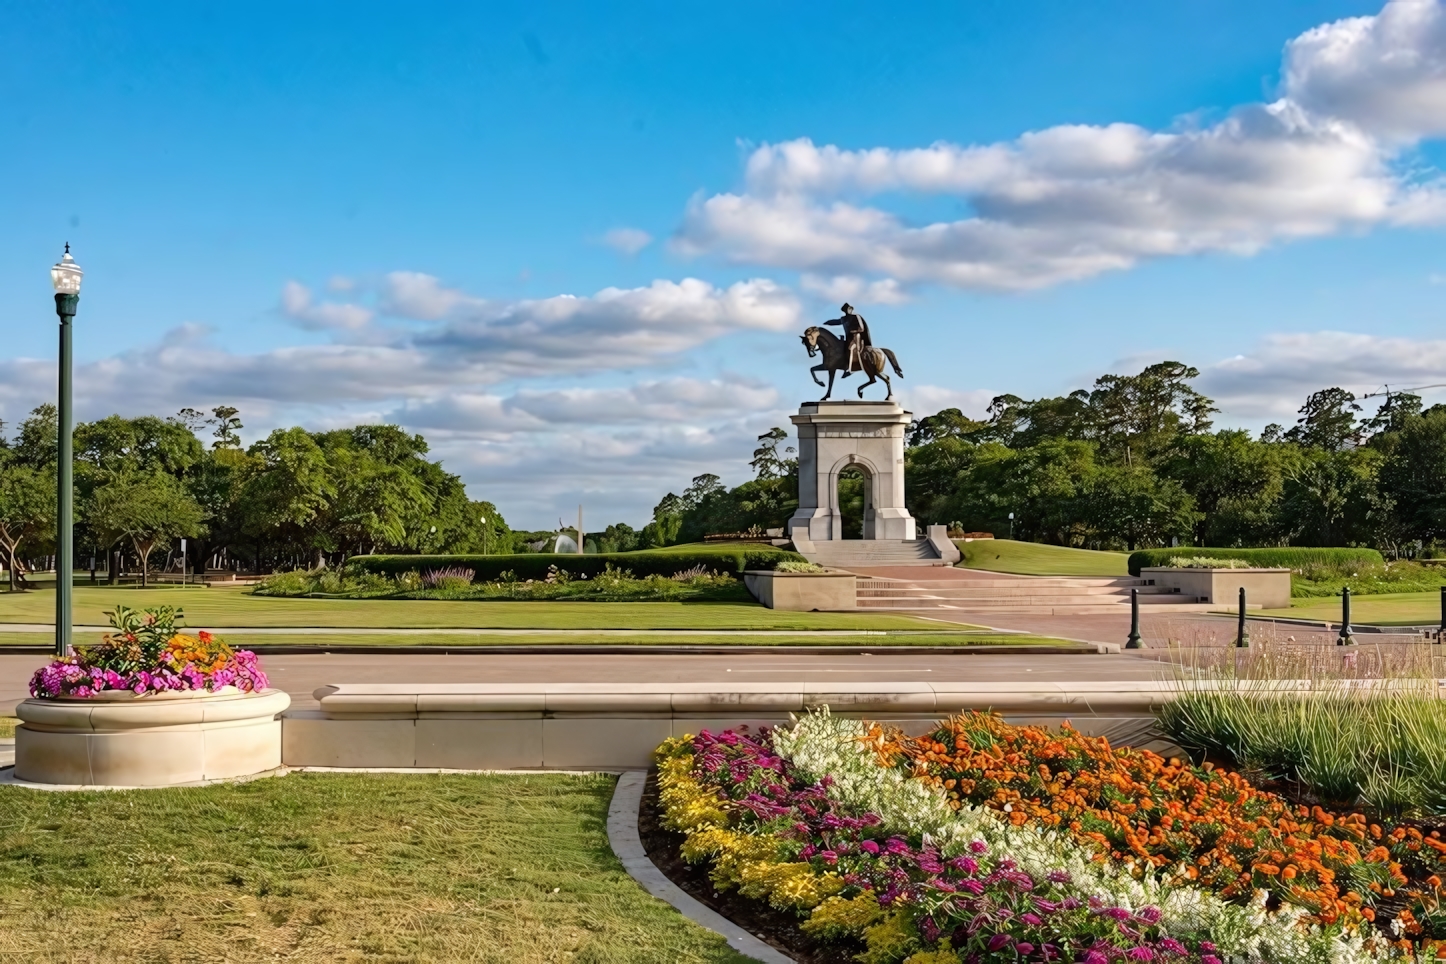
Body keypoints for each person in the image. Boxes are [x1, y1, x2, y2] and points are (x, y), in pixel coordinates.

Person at [824, 303, 872, 374]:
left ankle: (850, 369)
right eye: (846, 310)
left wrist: (854, 331)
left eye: (849, 309)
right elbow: (837, 322)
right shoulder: (844, 319)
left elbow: (861, 328)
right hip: (848, 338)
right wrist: (828, 322)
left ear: (851, 309)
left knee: (850, 348)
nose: (848, 311)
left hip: (856, 337)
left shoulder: (856, 316)